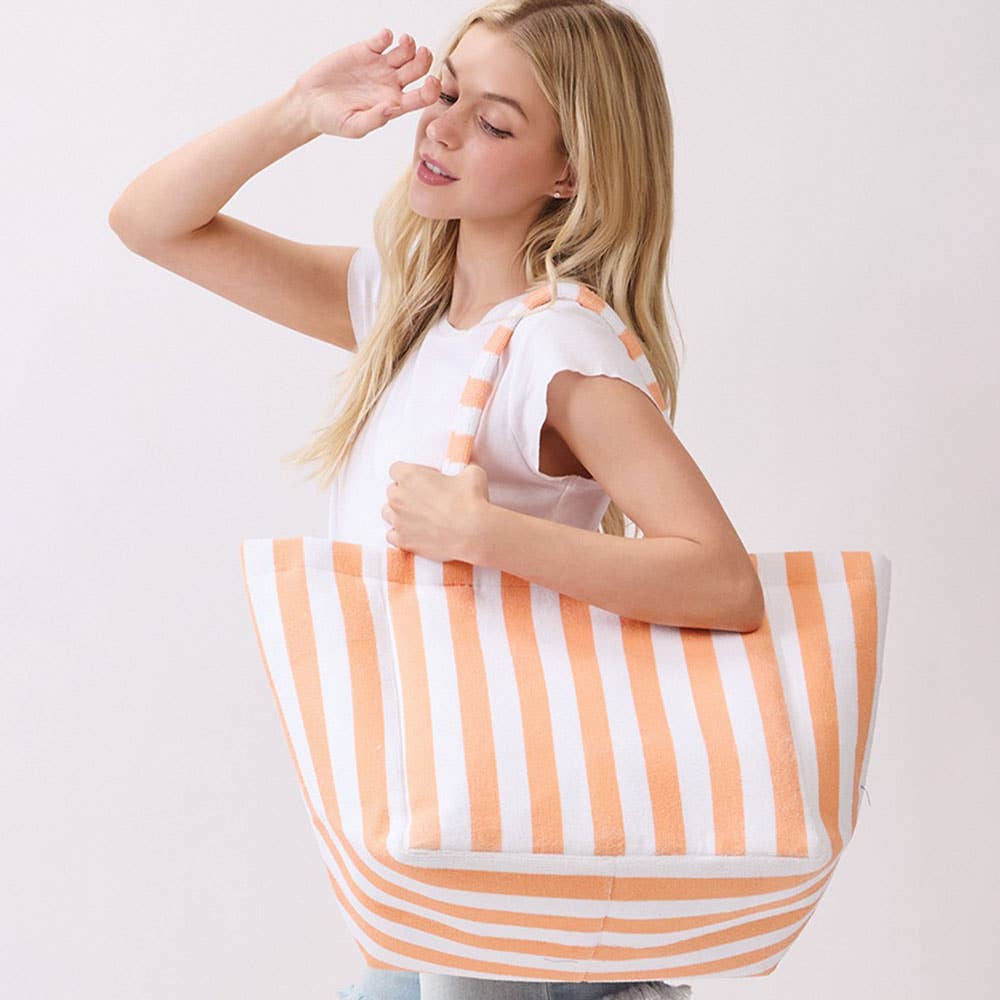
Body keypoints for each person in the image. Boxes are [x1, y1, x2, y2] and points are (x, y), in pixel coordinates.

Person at [110, 2, 763, 997]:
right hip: (424, 807)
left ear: (570, 172)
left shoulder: (556, 344)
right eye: (448, 92)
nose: (442, 128)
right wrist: (298, 112)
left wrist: (482, 532)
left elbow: (721, 579)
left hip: (504, 817)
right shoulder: (404, 307)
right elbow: (151, 224)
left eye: (493, 122)